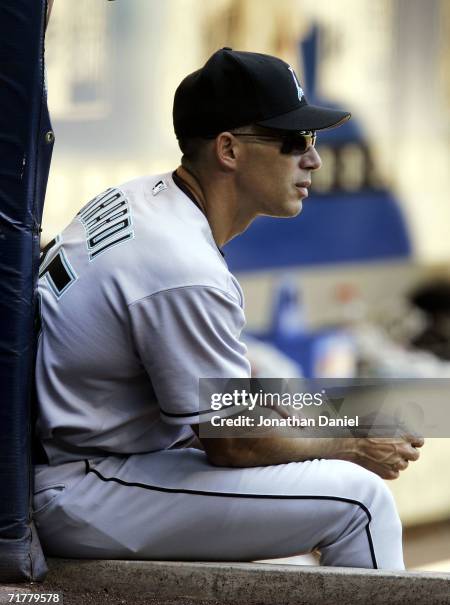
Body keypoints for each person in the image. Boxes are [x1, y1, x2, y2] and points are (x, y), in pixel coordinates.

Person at [33, 48, 423, 569]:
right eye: (293, 141)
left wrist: (330, 416)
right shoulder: (182, 267)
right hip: (80, 485)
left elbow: (226, 406)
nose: (314, 159)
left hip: (94, 458)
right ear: (229, 150)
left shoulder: (144, 201)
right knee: (360, 501)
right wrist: (350, 443)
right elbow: (233, 442)